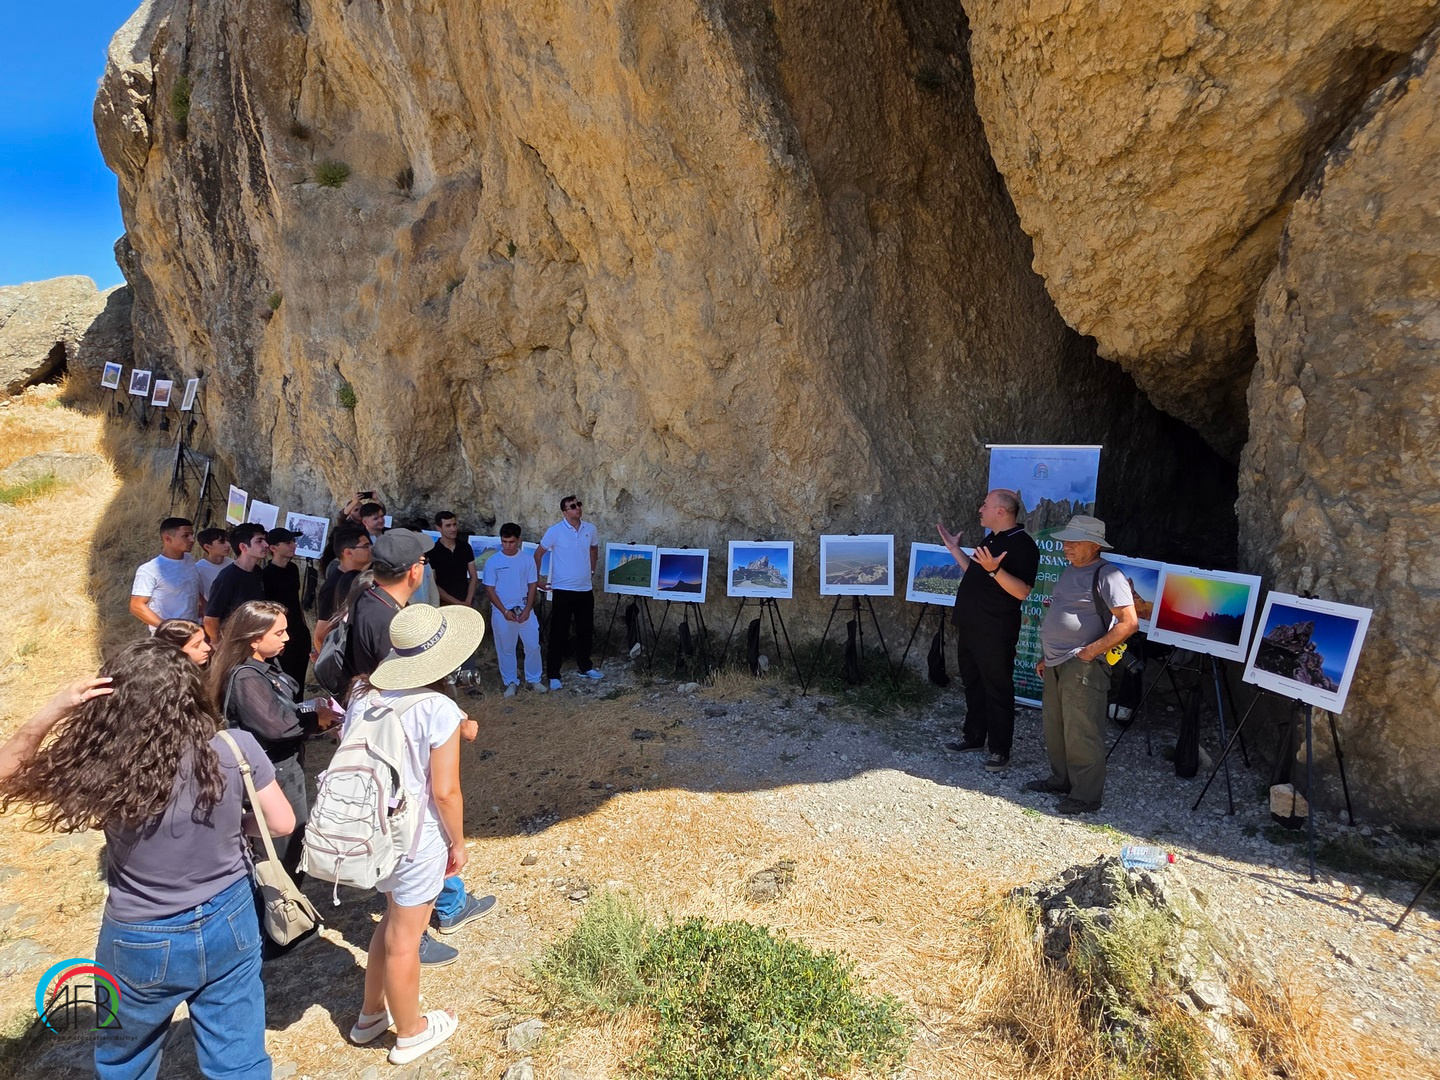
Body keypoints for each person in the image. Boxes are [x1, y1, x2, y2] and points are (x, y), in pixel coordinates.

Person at [0, 640, 295, 1078]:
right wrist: (234, 826)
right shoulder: (235, 747)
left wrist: (55, 708)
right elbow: (282, 823)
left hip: (141, 934)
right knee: (240, 1061)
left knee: (124, 1061)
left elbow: (6, 772)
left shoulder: (102, 766)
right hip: (231, 915)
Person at [340, 531, 495, 958]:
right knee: (419, 819)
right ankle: (422, 927)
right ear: (414, 571)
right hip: (406, 745)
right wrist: (452, 722)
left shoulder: (368, 600)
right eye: (424, 563)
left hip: (396, 737)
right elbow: (410, 691)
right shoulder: (387, 620)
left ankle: (446, 901)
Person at [344, 604, 485, 1063]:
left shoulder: (364, 696)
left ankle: (370, 1015)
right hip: (416, 834)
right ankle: (410, 1031)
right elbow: (445, 791)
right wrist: (457, 843)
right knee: (407, 937)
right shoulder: (437, 707)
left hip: (374, 828)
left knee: (391, 920)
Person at [210, 601, 331, 879]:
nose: (286, 637)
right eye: (278, 633)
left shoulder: (261, 665)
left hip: (282, 766)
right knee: (283, 851)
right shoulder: (245, 678)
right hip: (274, 771)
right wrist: (316, 720)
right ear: (254, 639)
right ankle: (281, 903)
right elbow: (277, 726)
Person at [1026, 515, 1138, 814]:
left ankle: (1086, 796)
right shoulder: (1071, 570)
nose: (1067, 546)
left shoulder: (1108, 575)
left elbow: (1129, 623)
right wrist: (1047, 656)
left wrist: (1089, 653)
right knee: (1055, 725)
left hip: (1082, 664)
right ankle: (1061, 781)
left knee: (1082, 730)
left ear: (1094, 545)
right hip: (1057, 661)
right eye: (1066, 540)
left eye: (1075, 541)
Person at [936, 489, 1040, 772]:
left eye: (985, 505)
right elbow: (976, 572)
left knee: (997, 688)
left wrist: (995, 570)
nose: (980, 510)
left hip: (995, 630)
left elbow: (1022, 591)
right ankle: (973, 737)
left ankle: (999, 750)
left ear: (1001, 511)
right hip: (971, 625)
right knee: (973, 684)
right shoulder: (991, 539)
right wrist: (955, 550)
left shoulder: (1023, 545)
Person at [536, 495, 602, 689]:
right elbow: (538, 554)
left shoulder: (590, 529)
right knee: (559, 633)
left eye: (578, 504)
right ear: (565, 512)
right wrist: (537, 580)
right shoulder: (555, 531)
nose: (577, 508)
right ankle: (553, 674)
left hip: (585, 589)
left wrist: (591, 570)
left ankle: (585, 666)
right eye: (572, 506)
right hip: (563, 590)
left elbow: (594, 549)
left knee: (585, 631)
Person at [484, 523, 545, 696]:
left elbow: (532, 585)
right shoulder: (493, 561)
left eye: (511, 542)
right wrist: (504, 611)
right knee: (506, 648)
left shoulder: (527, 560)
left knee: (533, 645)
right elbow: (489, 589)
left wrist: (528, 609)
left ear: (519, 540)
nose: (508, 546)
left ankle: (534, 679)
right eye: (504, 542)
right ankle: (510, 681)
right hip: (502, 612)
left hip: (524, 610)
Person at [262, 527, 312, 699]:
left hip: (299, 633)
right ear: (273, 548)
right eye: (288, 542)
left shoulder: (293, 568)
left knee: (299, 680)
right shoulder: (266, 575)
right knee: (285, 681)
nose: (293, 545)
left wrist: (304, 628)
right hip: (282, 636)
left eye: (293, 541)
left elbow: (295, 600)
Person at [129, 517, 204, 629]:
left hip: (193, 628)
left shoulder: (189, 559)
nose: (192, 539)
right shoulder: (149, 570)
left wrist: (204, 607)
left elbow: (192, 587)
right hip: (168, 635)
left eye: (192, 535)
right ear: (168, 538)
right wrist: (166, 628)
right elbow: (136, 606)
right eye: (186, 535)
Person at [204, 524, 271, 642]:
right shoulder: (227, 578)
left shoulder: (257, 572)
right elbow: (210, 619)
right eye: (259, 541)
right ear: (243, 547)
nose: (266, 545)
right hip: (233, 642)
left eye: (265, 540)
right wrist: (218, 644)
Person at [317, 523, 373, 622]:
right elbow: (322, 629)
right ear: (348, 553)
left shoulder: (361, 576)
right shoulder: (332, 587)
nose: (371, 549)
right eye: (366, 546)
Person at [428, 512, 478, 609]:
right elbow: (433, 584)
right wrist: (456, 602)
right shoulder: (432, 551)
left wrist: (468, 601)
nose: (453, 529)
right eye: (448, 526)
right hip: (443, 605)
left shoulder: (465, 547)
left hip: (466, 602)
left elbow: (473, 576)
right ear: (439, 528)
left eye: (454, 524)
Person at [194, 527, 233, 603]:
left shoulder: (232, 564)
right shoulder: (199, 569)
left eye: (227, 541)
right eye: (222, 542)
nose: (228, 545)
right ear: (207, 547)